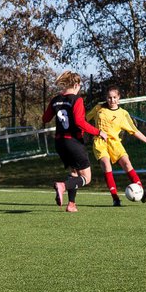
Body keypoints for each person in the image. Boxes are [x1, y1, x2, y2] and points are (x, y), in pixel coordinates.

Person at [41, 71, 106, 213]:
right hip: (73, 142)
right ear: (76, 85)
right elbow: (79, 122)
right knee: (86, 178)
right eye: (80, 86)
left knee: (75, 173)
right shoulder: (77, 100)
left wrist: (55, 106)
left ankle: (71, 204)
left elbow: (45, 119)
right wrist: (98, 132)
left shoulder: (55, 99)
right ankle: (62, 186)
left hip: (59, 143)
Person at [86, 86, 146, 207]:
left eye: (114, 97)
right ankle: (115, 198)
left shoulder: (123, 114)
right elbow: (83, 120)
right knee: (107, 166)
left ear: (118, 98)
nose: (112, 100)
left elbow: (134, 131)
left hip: (115, 143)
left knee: (127, 163)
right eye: (109, 97)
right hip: (100, 142)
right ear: (106, 98)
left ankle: (141, 192)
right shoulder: (98, 108)